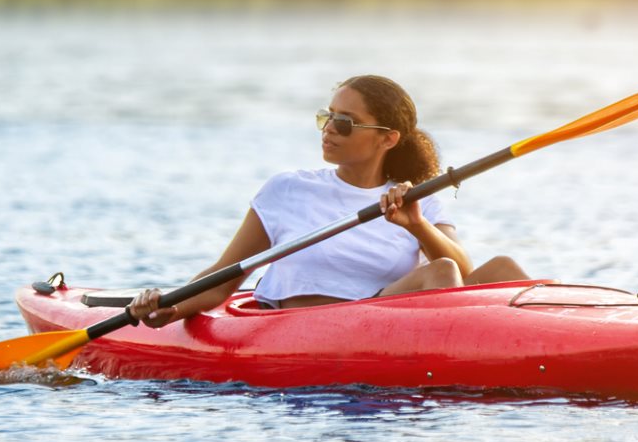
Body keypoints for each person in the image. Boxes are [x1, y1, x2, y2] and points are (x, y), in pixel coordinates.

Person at [128, 74, 528, 328]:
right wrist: (172, 305)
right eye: (327, 117)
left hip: (382, 319)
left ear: (387, 139)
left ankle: (561, 340)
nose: (329, 130)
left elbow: (464, 272)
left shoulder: (415, 197)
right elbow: (225, 277)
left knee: (500, 267)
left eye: (344, 122)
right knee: (438, 272)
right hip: (308, 325)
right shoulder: (287, 189)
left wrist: (417, 225)